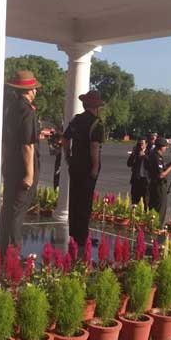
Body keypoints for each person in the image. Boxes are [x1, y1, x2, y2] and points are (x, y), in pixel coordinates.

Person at [0, 71, 41, 249]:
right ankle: (12, 249)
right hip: (22, 167)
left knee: (8, 207)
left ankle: (2, 245)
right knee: (18, 209)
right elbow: (28, 145)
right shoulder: (27, 112)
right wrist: (30, 174)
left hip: (10, 165)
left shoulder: (10, 109)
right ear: (31, 90)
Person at [63, 90, 104, 247]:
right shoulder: (96, 123)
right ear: (97, 106)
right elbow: (94, 147)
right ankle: (82, 237)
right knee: (85, 202)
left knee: (74, 200)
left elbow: (65, 139)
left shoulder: (76, 120)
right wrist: (94, 167)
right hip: (87, 166)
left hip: (75, 164)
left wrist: (68, 156)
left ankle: (73, 234)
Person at [147, 137, 171, 226]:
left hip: (153, 185)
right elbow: (161, 175)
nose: (166, 148)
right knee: (160, 208)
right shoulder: (157, 157)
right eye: (165, 146)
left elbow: (161, 167)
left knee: (153, 207)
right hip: (159, 186)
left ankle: (152, 225)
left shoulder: (153, 154)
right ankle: (157, 227)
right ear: (161, 147)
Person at [127, 136, 149, 206]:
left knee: (146, 201)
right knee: (134, 201)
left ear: (146, 144)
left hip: (145, 180)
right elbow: (129, 164)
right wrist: (133, 154)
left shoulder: (149, 153)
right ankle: (133, 214)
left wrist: (144, 156)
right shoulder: (135, 153)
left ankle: (146, 214)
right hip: (136, 180)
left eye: (142, 143)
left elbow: (151, 164)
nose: (141, 145)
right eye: (139, 144)